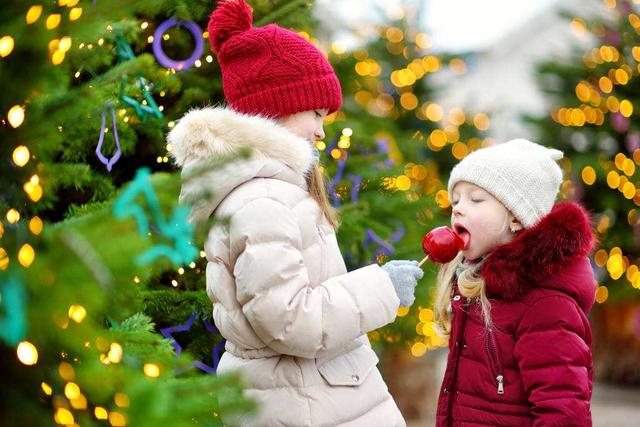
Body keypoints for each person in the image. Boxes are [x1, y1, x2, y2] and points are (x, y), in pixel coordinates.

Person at [168, 1, 422, 425]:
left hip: (312, 397)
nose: (322, 131)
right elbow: (288, 319)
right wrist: (383, 289)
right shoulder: (262, 201)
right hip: (307, 403)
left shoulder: (272, 192)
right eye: (316, 114)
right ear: (278, 107)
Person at [433, 138, 596, 426]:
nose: (457, 209)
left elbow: (563, 410)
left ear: (516, 218)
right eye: (455, 200)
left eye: (476, 199)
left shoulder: (546, 304)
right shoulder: (475, 286)